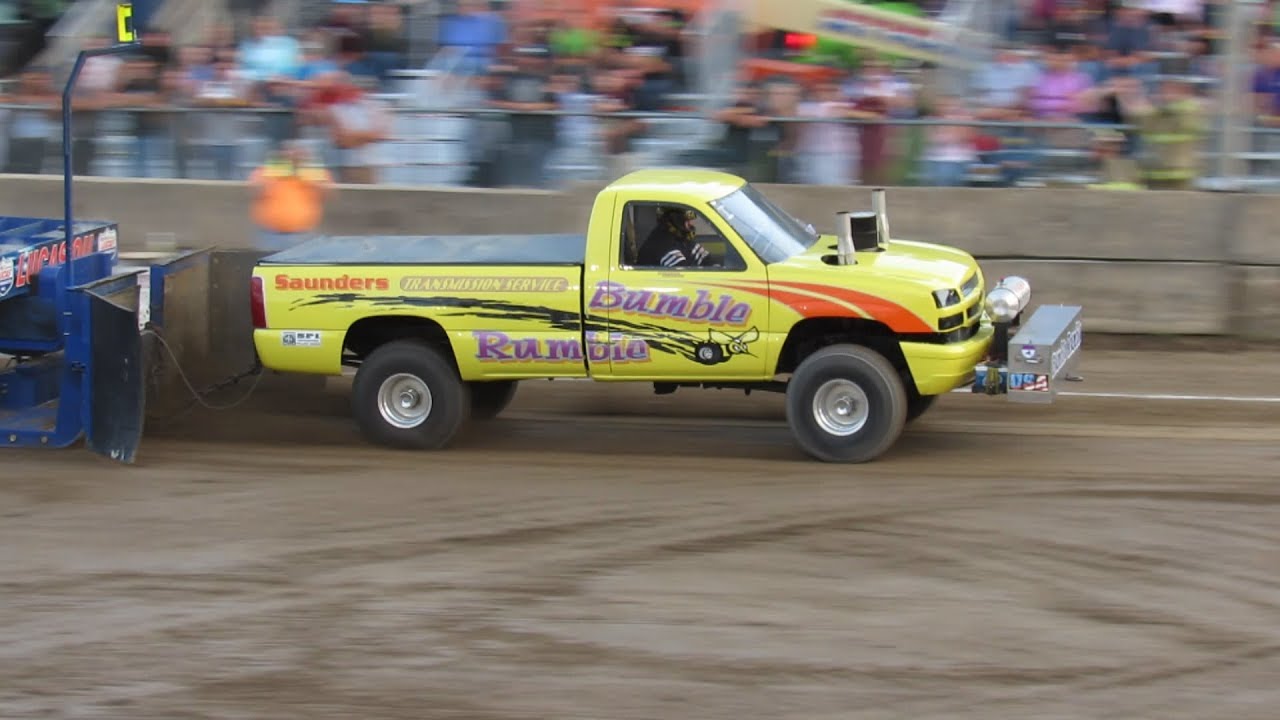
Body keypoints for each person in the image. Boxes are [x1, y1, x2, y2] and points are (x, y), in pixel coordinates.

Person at [248, 141, 333, 252]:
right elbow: (256, 190)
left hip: (303, 234)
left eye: (298, 152)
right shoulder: (267, 171)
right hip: (270, 234)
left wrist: (306, 175)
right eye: (289, 152)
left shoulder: (314, 171)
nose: (293, 155)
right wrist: (277, 174)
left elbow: (327, 193)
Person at [637, 207, 711, 268]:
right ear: (676, 220)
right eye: (687, 220)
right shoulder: (662, 241)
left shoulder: (680, 237)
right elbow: (684, 272)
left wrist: (715, 266)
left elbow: (705, 258)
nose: (691, 224)